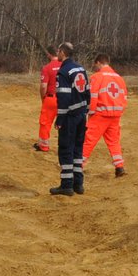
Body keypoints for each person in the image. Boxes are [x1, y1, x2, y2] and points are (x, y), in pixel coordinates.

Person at [49, 42, 91, 196]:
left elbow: (64, 97)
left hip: (70, 117)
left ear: (62, 52)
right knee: (77, 150)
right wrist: (85, 111)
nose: (57, 53)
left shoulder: (64, 71)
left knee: (66, 149)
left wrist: (60, 119)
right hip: (81, 115)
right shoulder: (80, 68)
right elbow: (87, 92)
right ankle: (78, 184)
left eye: (58, 51)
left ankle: (66, 185)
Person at [83, 53, 128, 177]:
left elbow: (93, 96)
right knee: (114, 142)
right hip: (115, 116)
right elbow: (124, 97)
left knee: (88, 140)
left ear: (98, 62)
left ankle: (78, 165)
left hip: (100, 115)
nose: (94, 67)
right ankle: (119, 167)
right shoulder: (119, 78)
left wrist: (90, 112)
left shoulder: (97, 77)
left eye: (95, 64)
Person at [34, 46, 61, 152]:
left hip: (51, 98)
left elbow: (44, 86)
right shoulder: (65, 66)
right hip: (65, 99)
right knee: (64, 123)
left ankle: (44, 146)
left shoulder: (47, 68)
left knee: (45, 122)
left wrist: (43, 98)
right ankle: (65, 145)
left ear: (49, 54)